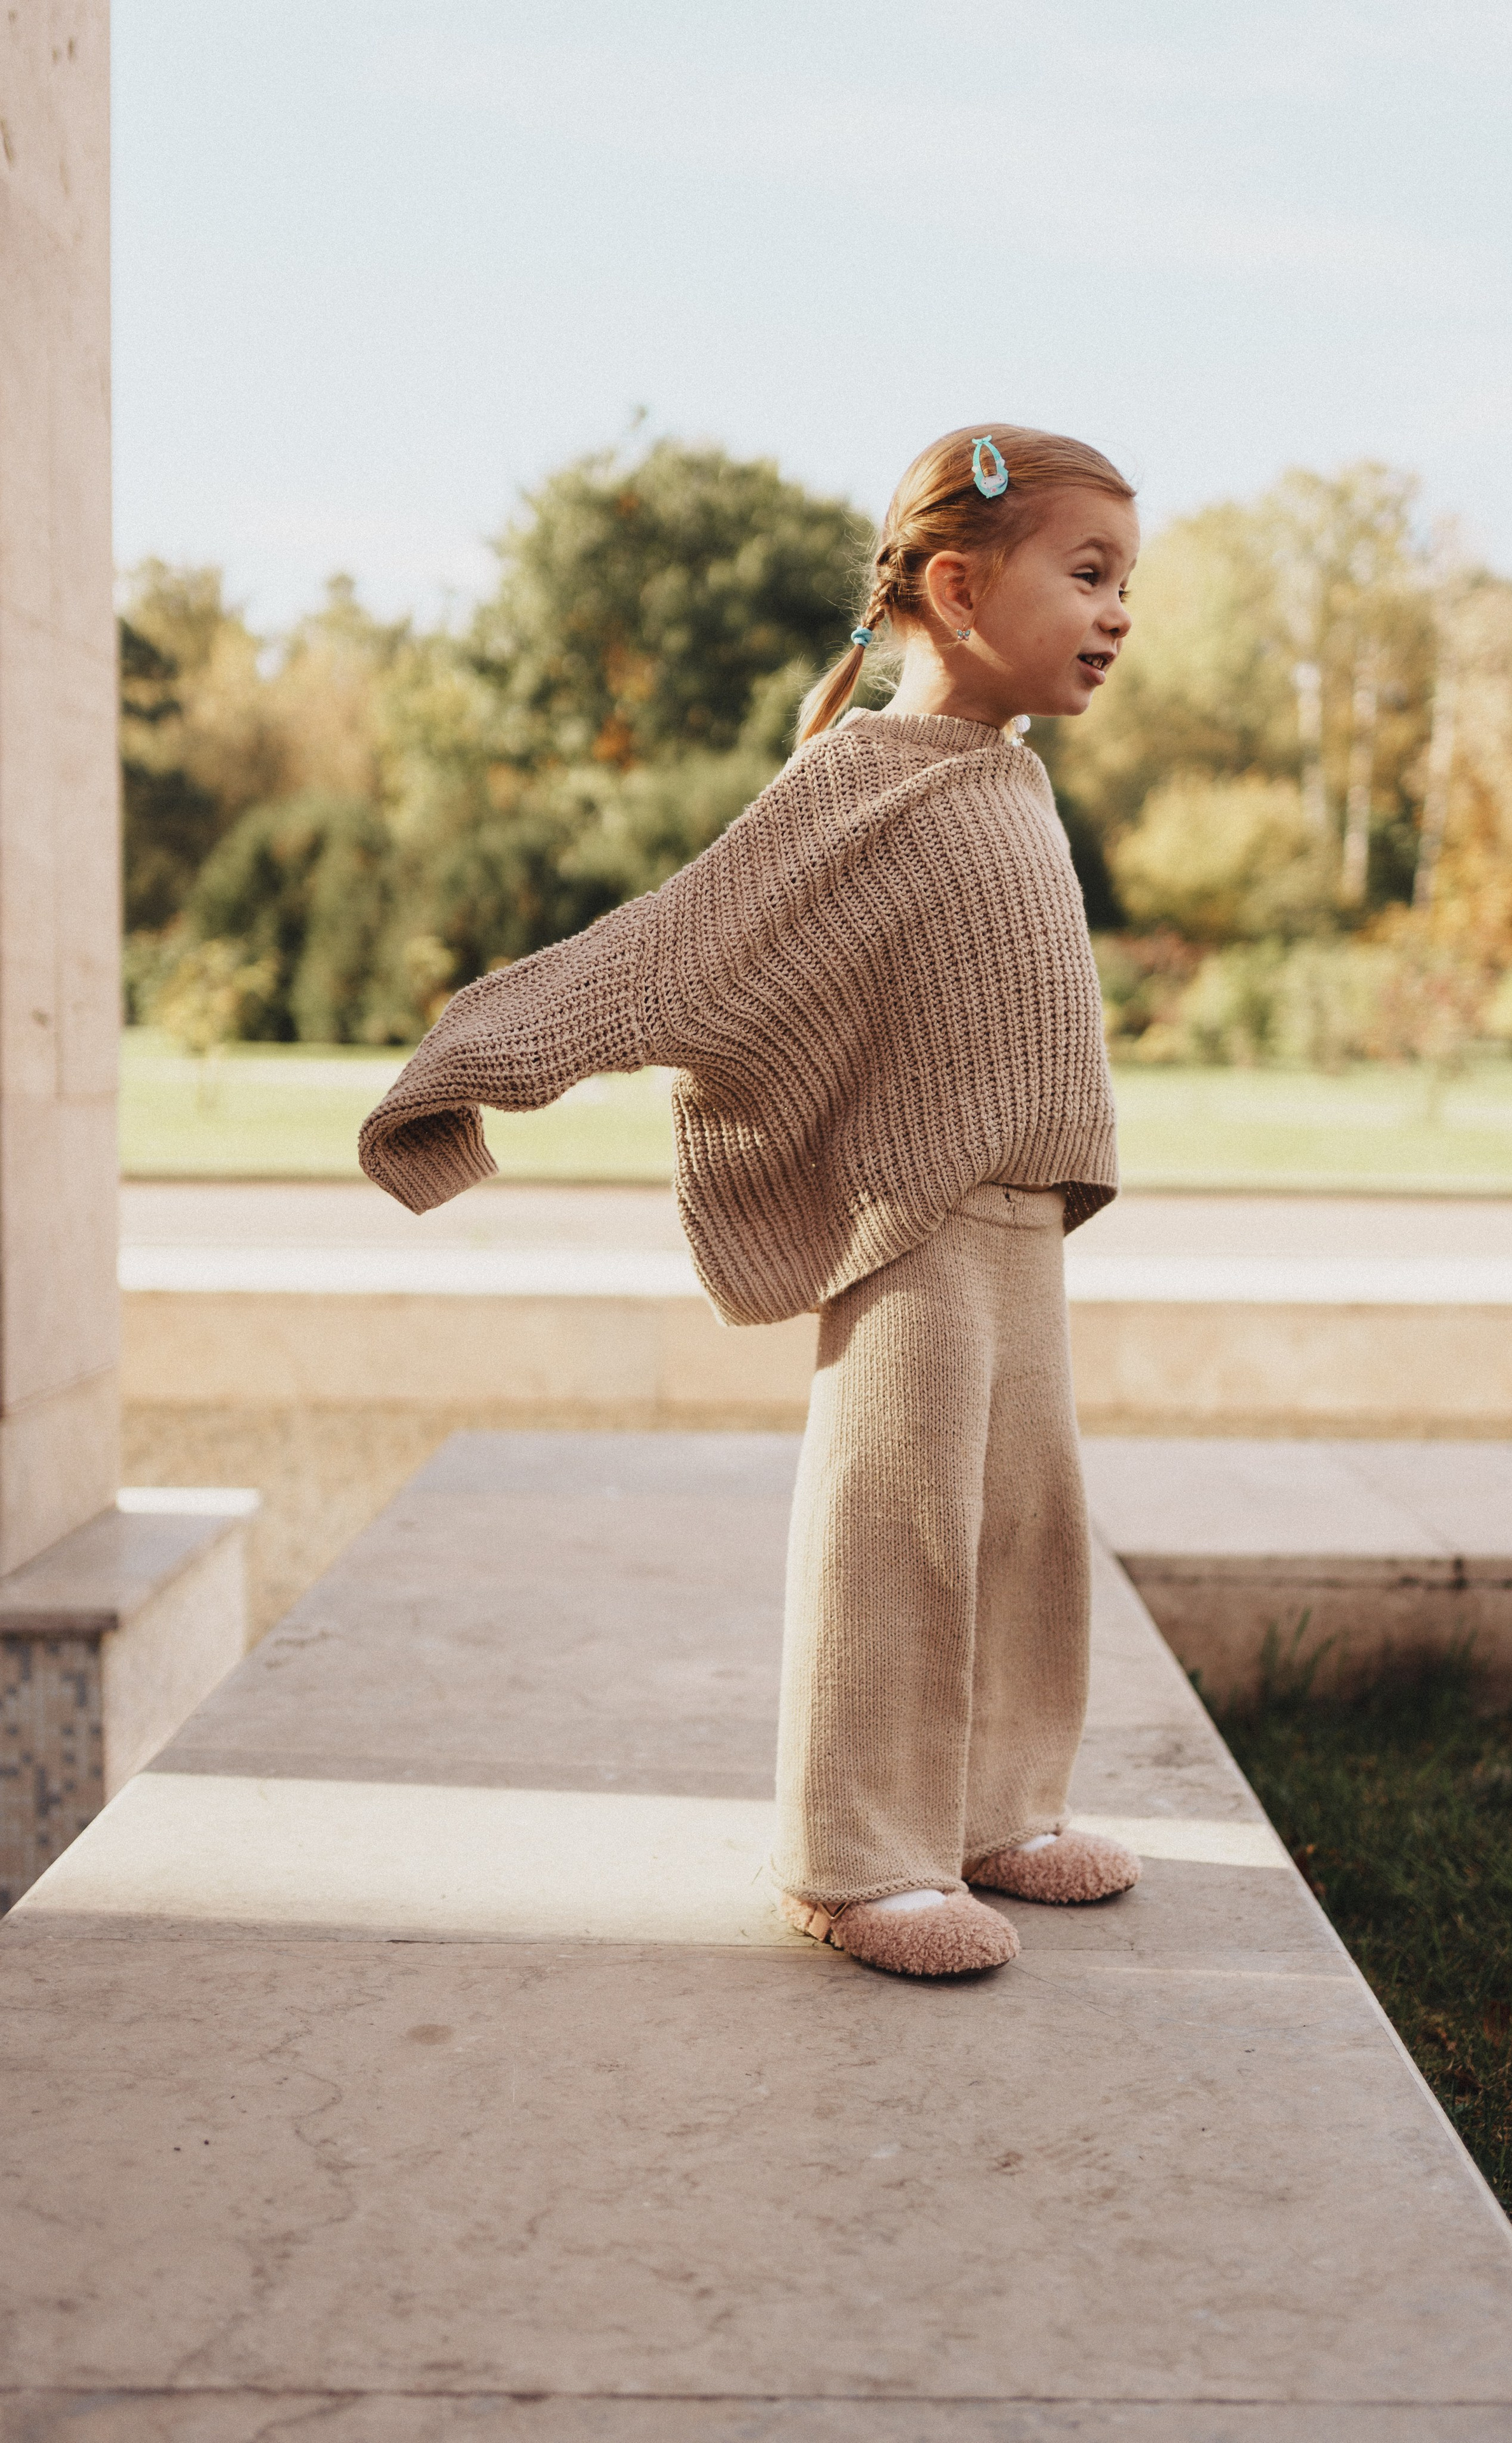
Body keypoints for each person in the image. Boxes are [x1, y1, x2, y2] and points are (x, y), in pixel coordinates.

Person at [359, 424, 1142, 1978]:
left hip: (1018, 1225)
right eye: (1089, 573)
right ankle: (852, 1860)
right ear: (955, 584)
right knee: (897, 1532)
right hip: (909, 1232)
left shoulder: (1011, 784)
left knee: (1023, 1528)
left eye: (1128, 583)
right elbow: (671, 951)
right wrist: (466, 1062)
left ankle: (994, 1809)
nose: (1119, 613)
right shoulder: (855, 782)